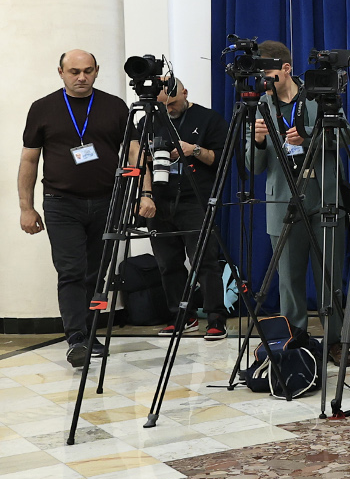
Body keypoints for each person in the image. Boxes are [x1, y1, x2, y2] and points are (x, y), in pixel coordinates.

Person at [19, 50, 130, 367]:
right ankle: (76, 338)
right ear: (61, 72)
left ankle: (90, 333)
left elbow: (134, 151)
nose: (81, 77)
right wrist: (26, 207)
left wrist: (143, 193)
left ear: (97, 71)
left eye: (88, 71)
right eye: (74, 71)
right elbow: (29, 159)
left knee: (96, 273)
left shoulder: (114, 106)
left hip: (107, 201)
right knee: (71, 271)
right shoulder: (43, 108)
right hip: (61, 202)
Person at [249, 42, 346, 348]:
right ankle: (295, 344)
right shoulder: (260, 106)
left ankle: (335, 343)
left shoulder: (318, 94)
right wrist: (257, 141)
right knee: (289, 283)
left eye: (269, 73)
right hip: (282, 203)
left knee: (329, 280)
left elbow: (345, 137)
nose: (264, 80)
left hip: (324, 198)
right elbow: (253, 166)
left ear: (286, 68)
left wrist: (308, 138)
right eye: (260, 75)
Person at [149, 77, 230, 341]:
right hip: (160, 200)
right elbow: (137, 158)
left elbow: (222, 159)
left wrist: (192, 150)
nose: (169, 110)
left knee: (204, 261)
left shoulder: (209, 119)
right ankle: (182, 316)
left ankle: (216, 317)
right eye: (163, 106)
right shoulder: (150, 119)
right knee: (167, 263)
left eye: (173, 103)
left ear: (185, 92)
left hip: (195, 198)